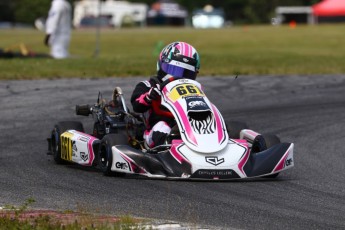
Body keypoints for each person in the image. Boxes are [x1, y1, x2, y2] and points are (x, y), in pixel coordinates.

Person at [131, 41, 201, 148]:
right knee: (162, 128)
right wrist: (149, 97)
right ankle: (167, 148)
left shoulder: (193, 88)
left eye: (186, 73)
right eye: (174, 70)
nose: (179, 76)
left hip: (184, 124)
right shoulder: (148, 85)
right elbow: (136, 105)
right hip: (156, 128)